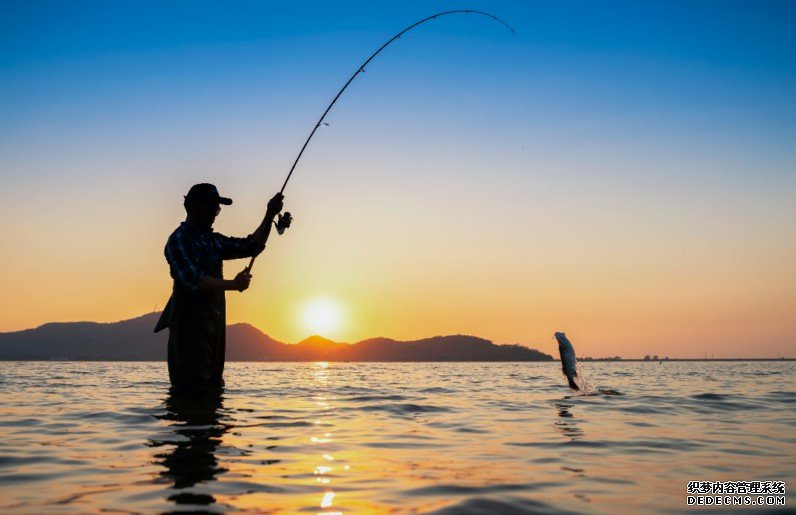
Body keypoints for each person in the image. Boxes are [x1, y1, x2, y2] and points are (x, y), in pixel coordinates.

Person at [155, 183, 284, 395]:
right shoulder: (178, 240)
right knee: (192, 391)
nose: (217, 213)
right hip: (189, 332)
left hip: (214, 330)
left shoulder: (214, 241)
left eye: (218, 208)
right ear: (194, 207)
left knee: (213, 390)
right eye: (213, 208)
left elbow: (252, 246)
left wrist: (270, 214)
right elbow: (193, 279)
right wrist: (233, 285)